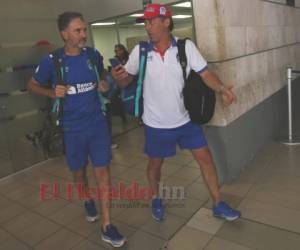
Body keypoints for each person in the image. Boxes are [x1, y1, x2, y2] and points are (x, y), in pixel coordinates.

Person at [112, 4, 241, 222]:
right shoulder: (140, 51)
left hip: (186, 121)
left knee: (206, 160)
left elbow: (205, 73)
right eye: (145, 22)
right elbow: (127, 79)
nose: (147, 27)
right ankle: (155, 198)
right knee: (155, 165)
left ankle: (218, 202)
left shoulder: (185, 47)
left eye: (151, 22)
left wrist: (221, 89)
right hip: (155, 124)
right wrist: (119, 79)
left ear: (166, 22)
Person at [27, 12, 126, 247]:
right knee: (79, 173)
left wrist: (104, 83)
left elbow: (100, 80)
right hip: (72, 129)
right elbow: (31, 85)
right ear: (64, 34)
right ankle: (86, 198)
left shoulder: (93, 55)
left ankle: (107, 225)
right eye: (78, 31)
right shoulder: (52, 60)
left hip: (97, 125)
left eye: (84, 30)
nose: (84, 35)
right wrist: (51, 93)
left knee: (103, 173)